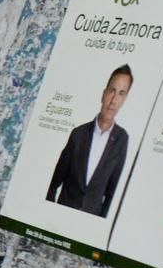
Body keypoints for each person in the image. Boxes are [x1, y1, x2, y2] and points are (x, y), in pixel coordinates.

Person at [46, 64, 132, 217]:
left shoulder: (122, 139)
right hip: (61, 217)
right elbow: (54, 182)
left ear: (124, 99)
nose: (113, 100)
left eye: (121, 93)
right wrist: (51, 213)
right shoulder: (78, 134)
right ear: (103, 94)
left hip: (89, 221)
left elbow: (111, 193)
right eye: (112, 90)